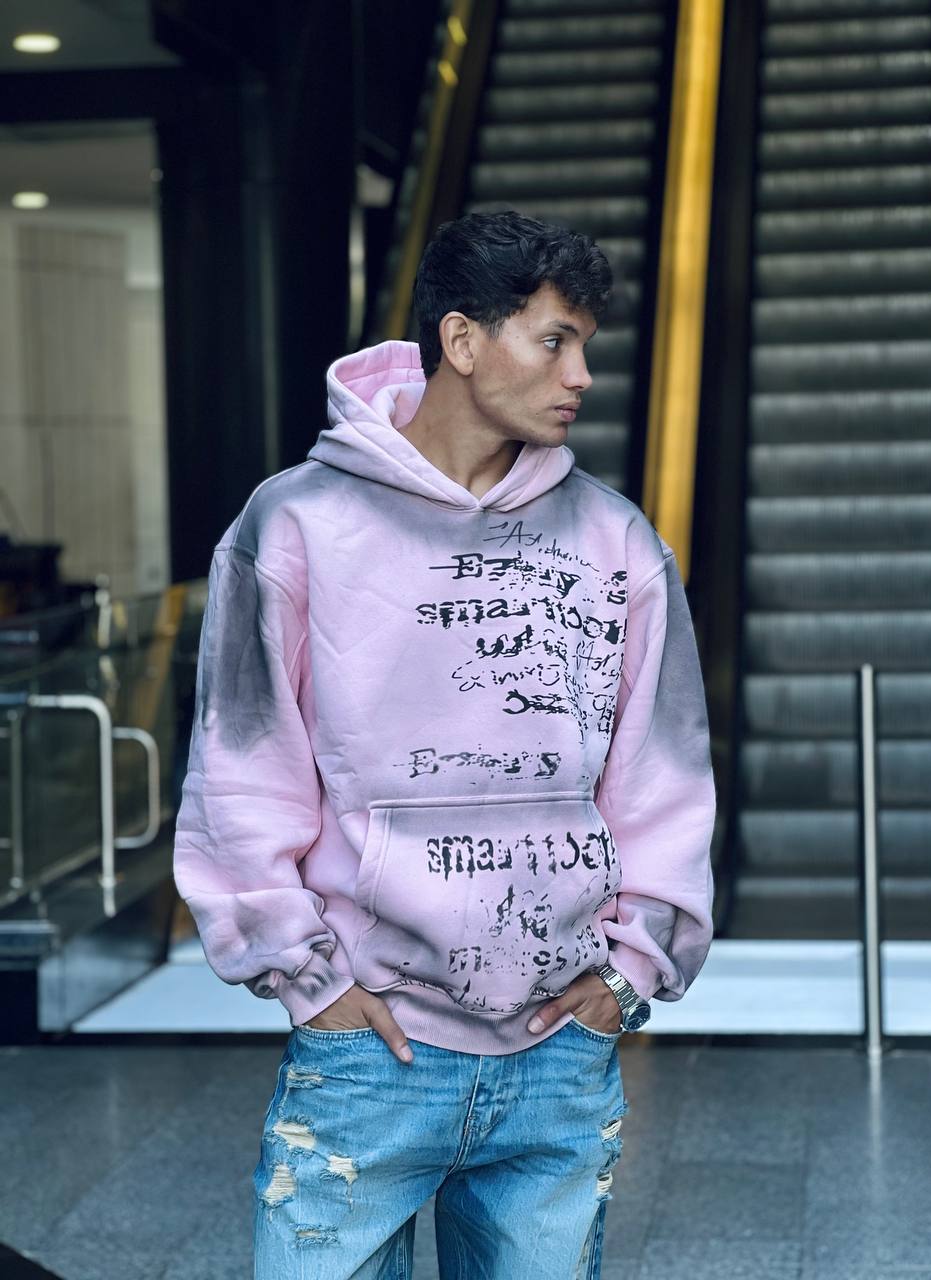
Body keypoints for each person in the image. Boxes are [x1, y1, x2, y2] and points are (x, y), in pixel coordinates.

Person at [172, 209, 717, 1279]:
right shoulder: (295, 524)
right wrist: (307, 979)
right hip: (367, 1052)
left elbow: (664, 777)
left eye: (585, 345)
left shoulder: (615, 540)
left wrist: (629, 975)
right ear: (462, 340)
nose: (581, 375)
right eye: (553, 340)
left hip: (560, 1057)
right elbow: (241, 770)